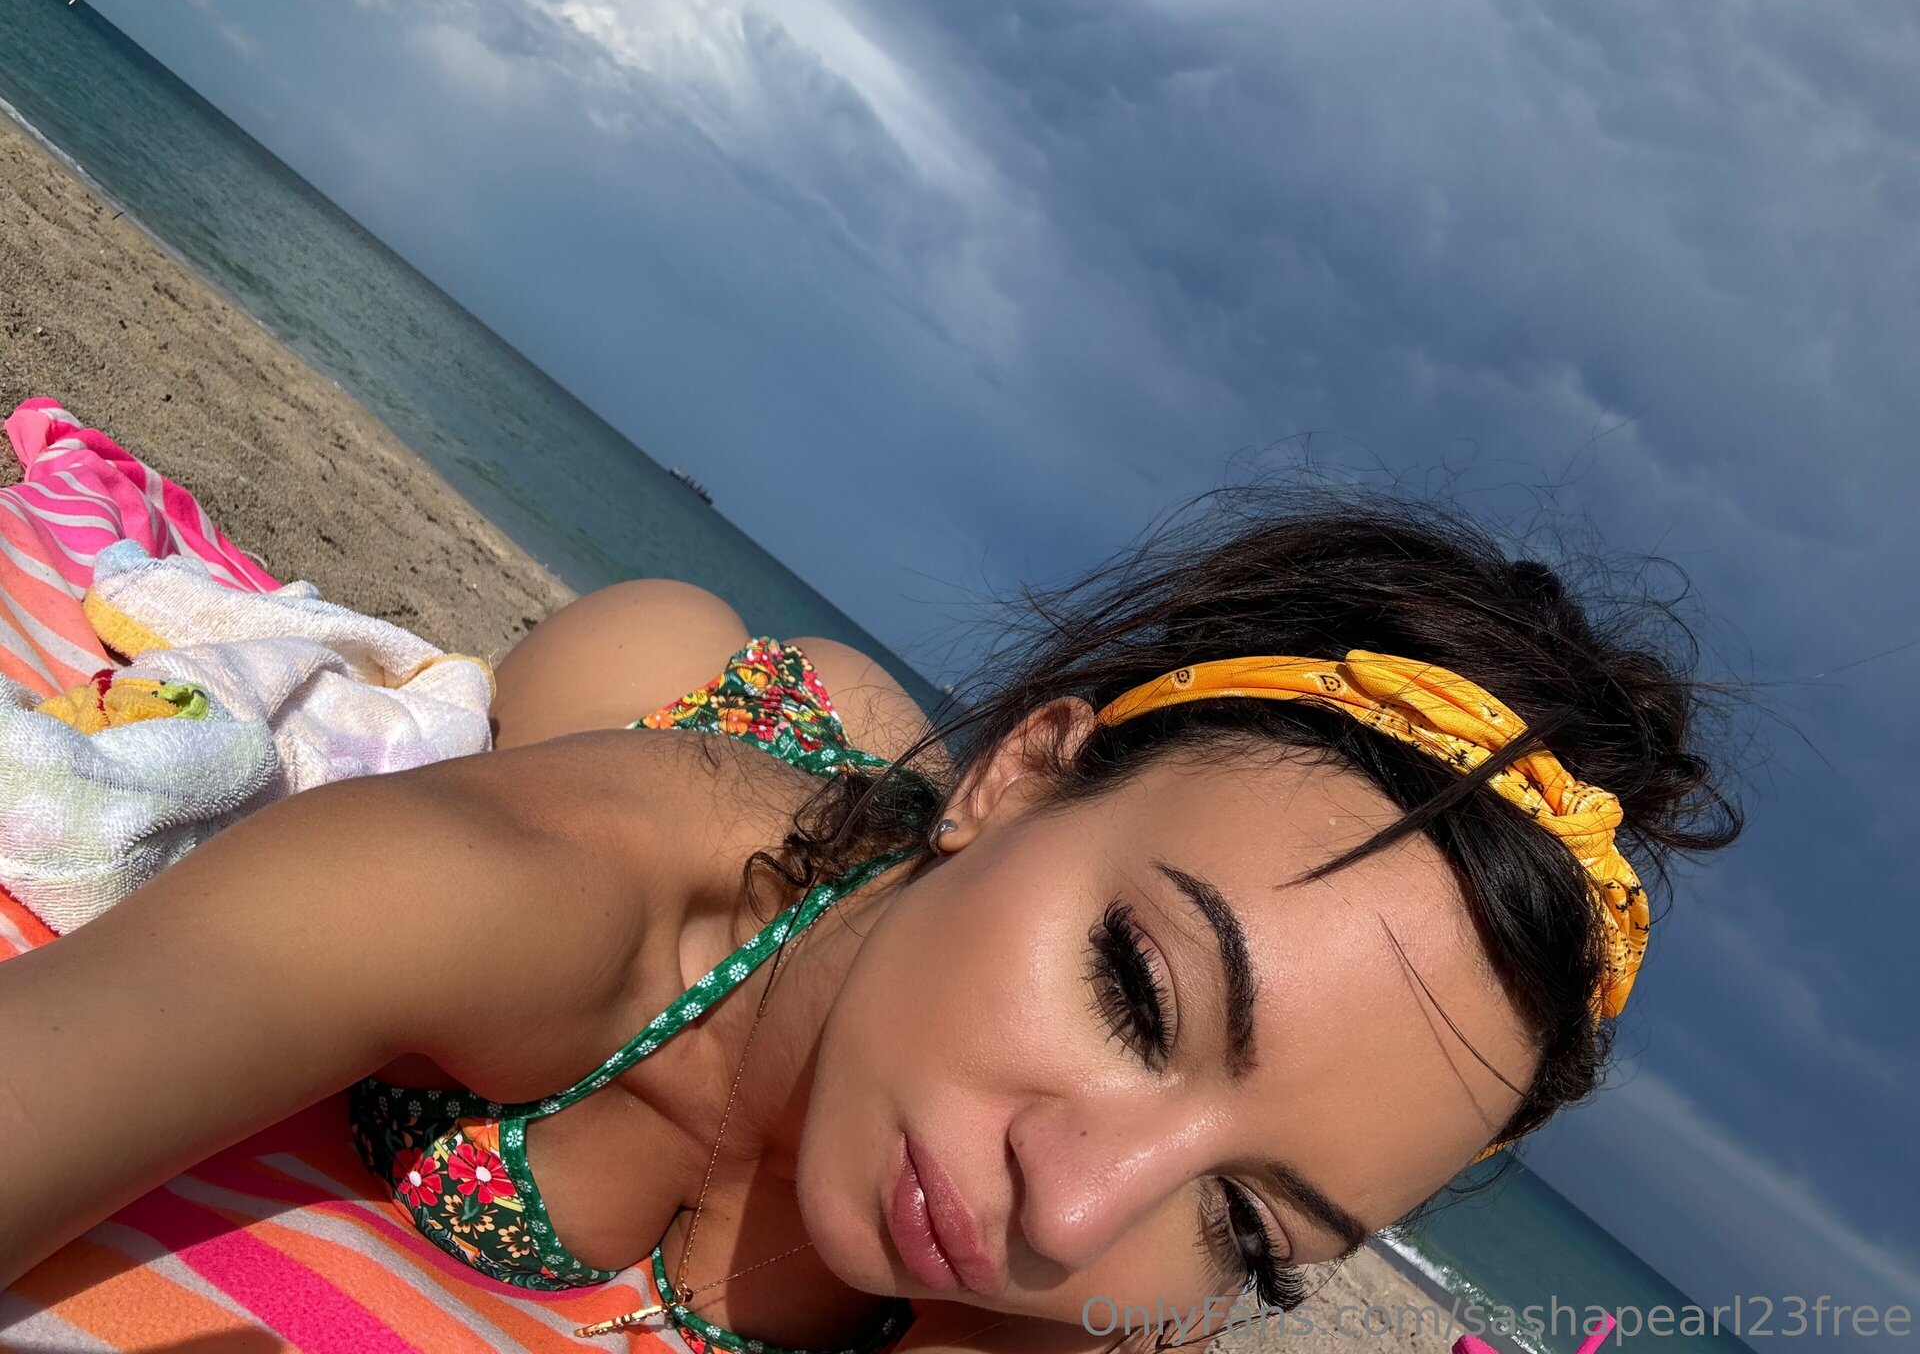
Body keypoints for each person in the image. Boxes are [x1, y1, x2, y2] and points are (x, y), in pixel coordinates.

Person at [0, 483, 1746, 1354]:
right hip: (714, 740)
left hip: (918, 874)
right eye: (1137, 995)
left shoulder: (1079, 1265)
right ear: (1027, 773)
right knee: (645, 646)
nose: (1076, 1212)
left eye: (1250, 1227)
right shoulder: (517, 892)